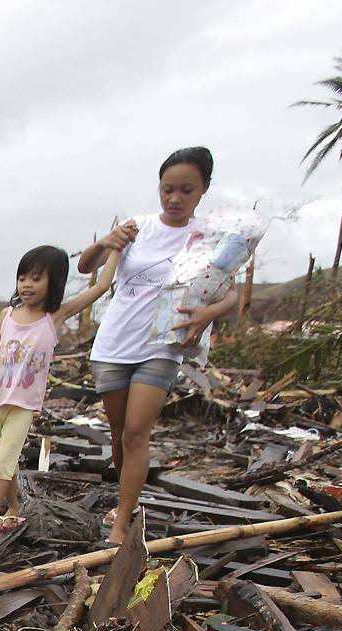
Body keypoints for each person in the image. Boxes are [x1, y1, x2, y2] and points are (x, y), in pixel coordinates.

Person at [78, 146, 240, 546]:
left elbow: (230, 294)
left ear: (203, 190)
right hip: (114, 343)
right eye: (168, 189)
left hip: (162, 345)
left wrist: (207, 315)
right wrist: (105, 243)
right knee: (118, 435)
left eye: (186, 190)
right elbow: (85, 266)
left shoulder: (207, 239)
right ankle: (126, 500)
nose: (174, 199)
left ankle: (121, 527)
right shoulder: (138, 227)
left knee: (136, 433)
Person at [0, 245, 118, 549]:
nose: (26, 284)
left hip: (24, 403)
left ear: (54, 282)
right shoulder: (7, 314)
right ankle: (15, 508)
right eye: (22, 278)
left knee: (3, 462)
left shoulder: (53, 316)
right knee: (2, 461)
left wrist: (115, 249)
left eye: (35, 278)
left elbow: (100, 286)